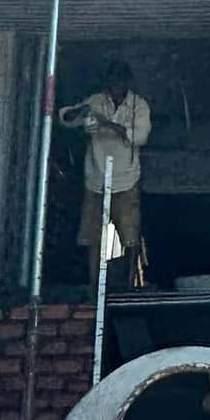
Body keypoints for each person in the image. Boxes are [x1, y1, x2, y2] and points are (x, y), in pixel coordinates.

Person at [59, 61, 151, 291]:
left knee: (130, 238)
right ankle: (94, 287)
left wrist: (107, 124)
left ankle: (129, 287)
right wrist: (80, 111)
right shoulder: (95, 101)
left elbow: (140, 137)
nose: (114, 85)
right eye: (111, 81)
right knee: (93, 238)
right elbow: (66, 119)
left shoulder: (138, 106)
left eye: (119, 81)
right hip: (96, 179)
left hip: (126, 179)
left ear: (127, 82)